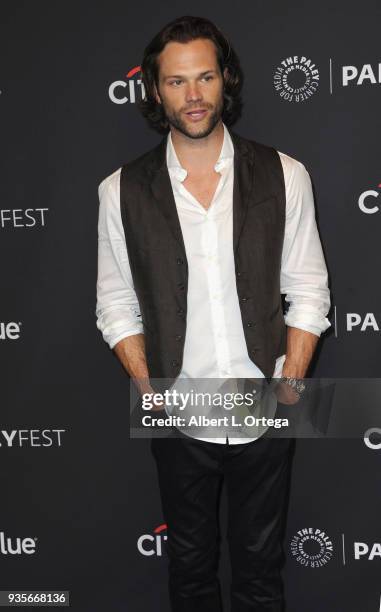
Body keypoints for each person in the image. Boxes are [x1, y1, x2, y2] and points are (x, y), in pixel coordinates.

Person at [95, 15, 331, 612]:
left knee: (261, 577)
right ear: (154, 90)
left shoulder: (285, 175)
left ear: (225, 79)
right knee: (191, 576)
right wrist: (149, 390)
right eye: (176, 82)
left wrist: (291, 381)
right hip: (179, 416)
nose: (193, 95)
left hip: (265, 409)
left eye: (204, 77)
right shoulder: (119, 190)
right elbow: (116, 304)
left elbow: (308, 287)